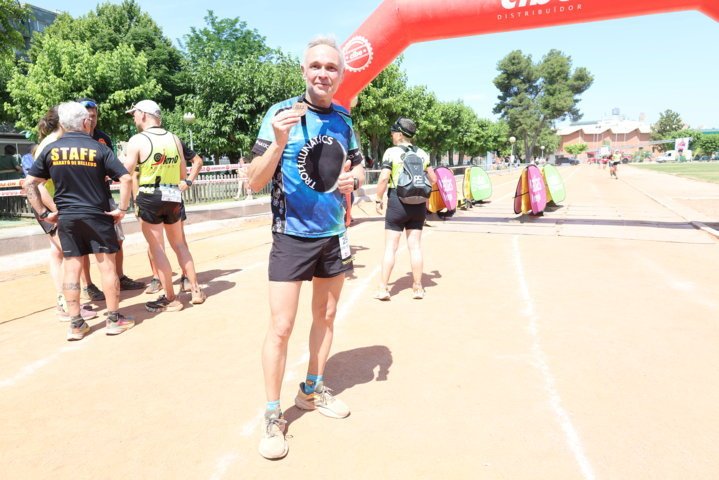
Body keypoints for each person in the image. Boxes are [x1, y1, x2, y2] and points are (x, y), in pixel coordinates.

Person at [247, 35, 364, 460]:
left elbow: (358, 167)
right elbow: (254, 181)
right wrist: (279, 142)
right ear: (304, 70)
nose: (323, 73)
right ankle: (272, 414)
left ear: (341, 75)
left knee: (326, 316)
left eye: (331, 68)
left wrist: (355, 180)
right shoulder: (280, 114)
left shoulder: (344, 119)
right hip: (291, 235)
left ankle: (311, 391)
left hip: (332, 234)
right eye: (316, 66)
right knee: (281, 327)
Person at [24, 101, 134, 340]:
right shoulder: (98, 148)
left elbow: (30, 183)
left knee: (72, 267)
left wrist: (43, 213)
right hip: (98, 215)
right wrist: (122, 209)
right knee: (107, 266)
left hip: (67, 217)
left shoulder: (51, 149)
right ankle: (113, 319)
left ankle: (76, 324)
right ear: (85, 122)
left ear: (62, 124)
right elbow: (125, 178)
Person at [123, 99, 205, 312]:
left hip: (150, 195)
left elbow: (125, 172)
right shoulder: (174, 138)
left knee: (157, 248)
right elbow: (182, 173)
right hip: (173, 194)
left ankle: (170, 297)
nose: (133, 117)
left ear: (143, 114)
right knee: (180, 244)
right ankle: (195, 289)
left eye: (134, 113)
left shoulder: (137, 140)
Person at [29, 107, 96, 323]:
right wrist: (54, 211)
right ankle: (67, 305)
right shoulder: (51, 144)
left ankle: (64, 301)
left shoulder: (54, 141)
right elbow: (37, 185)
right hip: (49, 206)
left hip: (51, 206)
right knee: (71, 254)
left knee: (57, 253)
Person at [77, 97, 145, 297]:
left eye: (94, 115)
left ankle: (119, 277)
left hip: (104, 196)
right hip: (80, 199)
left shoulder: (103, 138)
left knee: (117, 239)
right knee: (82, 245)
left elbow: (114, 169)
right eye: (88, 116)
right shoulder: (70, 139)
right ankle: (88, 286)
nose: (92, 119)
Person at [374, 117, 436, 301]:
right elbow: (433, 179)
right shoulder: (422, 154)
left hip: (397, 202)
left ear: (400, 135)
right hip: (418, 204)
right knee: (415, 247)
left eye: (393, 132)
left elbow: (384, 178)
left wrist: (378, 198)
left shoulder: (391, 152)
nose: (392, 135)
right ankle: (418, 288)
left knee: (390, 247)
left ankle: (383, 288)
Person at [143, 140, 205, 302]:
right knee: (165, 243)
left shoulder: (171, 141)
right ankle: (162, 279)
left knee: (167, 243)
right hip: (166, 196)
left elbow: (198, 161)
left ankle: (180, 282)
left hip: (159, 197)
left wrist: (188, 181)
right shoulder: (148, 142)